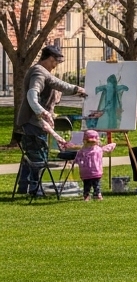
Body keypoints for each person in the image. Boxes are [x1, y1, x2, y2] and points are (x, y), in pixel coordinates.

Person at [15, 44, 85, 195]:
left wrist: (76, 89)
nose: (56, 65)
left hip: (34, 122)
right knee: (38, 156)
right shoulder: (38, 73)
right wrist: (42, 112)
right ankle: (35, 189)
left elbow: (59, 84)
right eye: (55, 61)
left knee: (31, 155)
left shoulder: (43, 72)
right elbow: (32, 94)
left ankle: (23, 186)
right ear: (50, 58)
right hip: (34, 122)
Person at [75, 130, 116, 201]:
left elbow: (107, 148)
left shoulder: (98, 150)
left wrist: (112, 145)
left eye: (93, 142)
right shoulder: (82, 151)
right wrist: (79, 162)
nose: (91, 144)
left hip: (96, 172)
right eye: (89, 142)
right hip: (86, 172)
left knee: (96, 185)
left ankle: (97, 194)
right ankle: (86, 195)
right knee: (87, 185)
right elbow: (77, 159)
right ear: (85, 141)